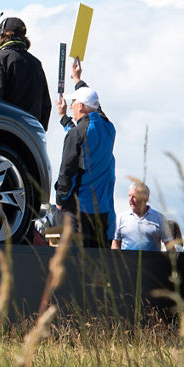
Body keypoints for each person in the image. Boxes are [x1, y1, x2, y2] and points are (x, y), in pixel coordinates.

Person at [53, 85, 116, 248]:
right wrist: (77, 79)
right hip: (101, 213)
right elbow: (96, 111)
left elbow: (67, 171)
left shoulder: (77, 134)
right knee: (97, 264)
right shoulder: (110, 129)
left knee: (75, 264)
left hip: (77, 211)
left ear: (80, 106)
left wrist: (60, 199)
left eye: (73, 102)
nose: (72, 106)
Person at [0, 16, 52, 130]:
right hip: (31, 135)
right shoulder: (36, 63)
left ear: (3, 34)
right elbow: (46, 105)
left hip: (5, 132)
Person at [112, 180, 177, 251]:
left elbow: (169, 246)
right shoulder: (121, 218)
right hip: (127, 261)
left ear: (145, 198)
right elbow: (115, 243)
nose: (130, 200)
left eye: (134, 197)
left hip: (151, 261)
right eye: (129, 196)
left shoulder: (160, 218)